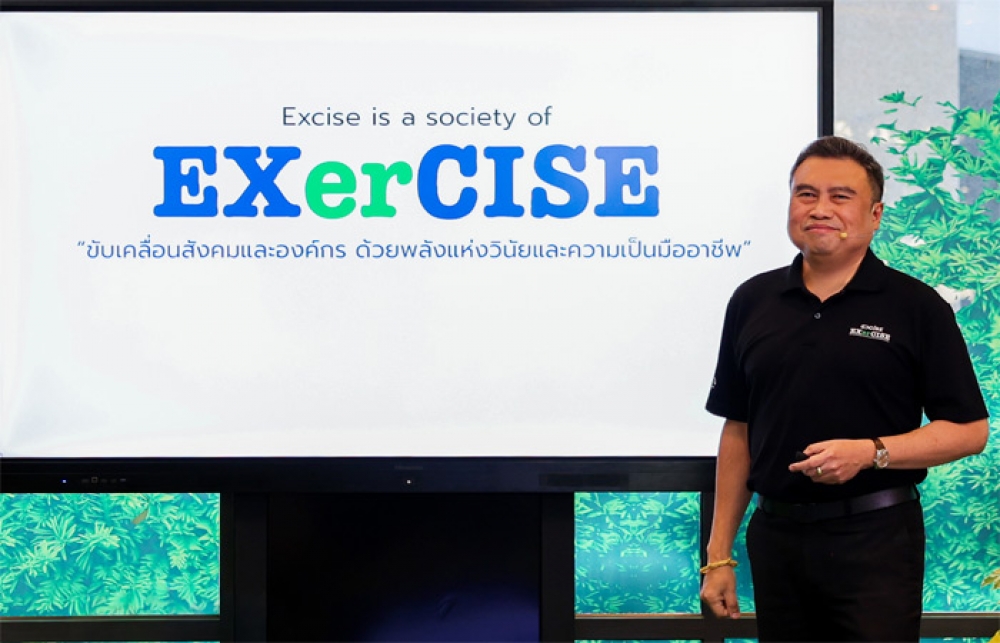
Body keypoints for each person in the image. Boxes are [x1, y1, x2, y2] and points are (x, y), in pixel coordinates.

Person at [700, 136, 989, 642]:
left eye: (840, 196)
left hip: (876, 538)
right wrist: (718, 555)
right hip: (777, 538)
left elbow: (969, 431)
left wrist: (870, 452)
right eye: (806, 194)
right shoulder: (752, 300)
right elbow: (739, 429)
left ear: (875, 215)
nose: (820, 209)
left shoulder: (916, 307)